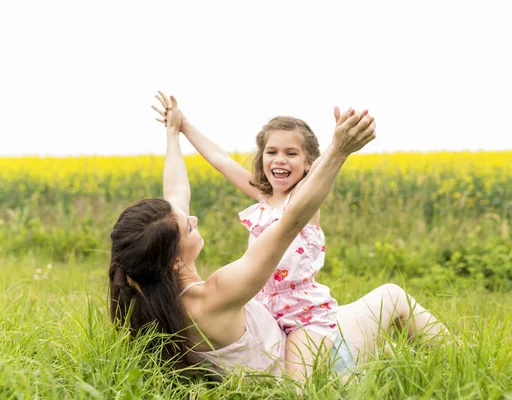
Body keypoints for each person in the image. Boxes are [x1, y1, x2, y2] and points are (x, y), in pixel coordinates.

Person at [109, 91, 445, 385]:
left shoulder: (161, 300)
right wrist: (339, 149)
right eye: (189, 227)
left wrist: (177, 130)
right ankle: (412, 364)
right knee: (386, 300)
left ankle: (425, 362)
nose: (194, 218)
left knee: (378, 320)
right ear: (175, 258)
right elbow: (282, 209)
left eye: (291, 154)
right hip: (277, 318)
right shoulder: (220, 289)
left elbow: (180, 190)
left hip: (302, 314)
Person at [151, 97, 370, 381]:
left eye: (292, 153)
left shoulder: (304, 198)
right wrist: (183, 126)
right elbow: (221, 160)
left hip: (304, 314)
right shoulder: (264, 196)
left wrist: (338, 142)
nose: (280, 159)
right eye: (272, 152)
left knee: (298, 385)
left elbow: (324, 168)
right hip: (264, 305)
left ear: (307, 164)